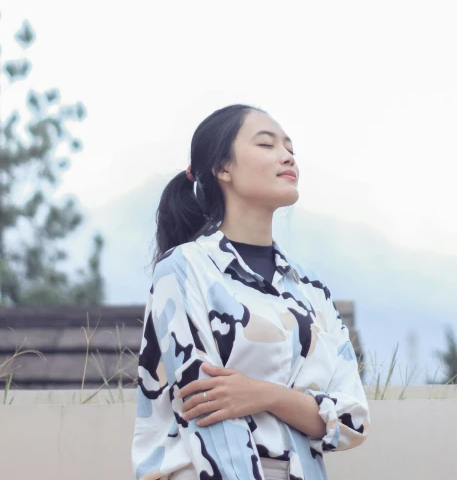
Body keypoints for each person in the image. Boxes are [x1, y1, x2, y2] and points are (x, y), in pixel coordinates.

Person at [131, 103, 370, 480]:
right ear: (223, 168)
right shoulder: (184, 270)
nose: (287, 156)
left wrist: (263, 394)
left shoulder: (311, 290)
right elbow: (206, 407)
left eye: (289, 147)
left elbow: (352, 419)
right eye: (266, 144)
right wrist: (303, 407)